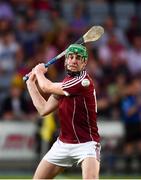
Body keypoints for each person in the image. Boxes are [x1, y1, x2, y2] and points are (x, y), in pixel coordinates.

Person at [26, 44, 101, 179]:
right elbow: (43, 109)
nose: (73, 60)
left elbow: (46, 86)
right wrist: (30, 84)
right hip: (63, 144)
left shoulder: (82, 82)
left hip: (87, 144)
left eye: (78, 58)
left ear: (84, 63)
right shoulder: (65, 84)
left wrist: (38, 71)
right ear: (66, 61)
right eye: (70, 57)